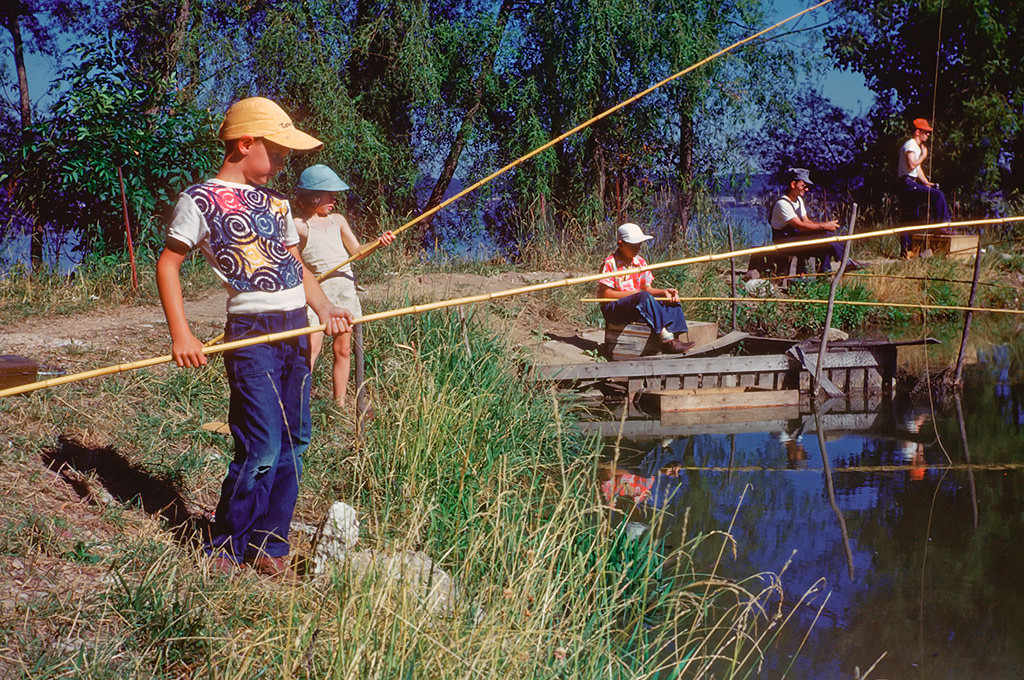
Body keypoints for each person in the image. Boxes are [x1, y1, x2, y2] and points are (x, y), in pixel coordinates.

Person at [156, 97, 353, 580]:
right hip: (251, 334)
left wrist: (324, 307)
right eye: (278, 151)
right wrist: (182, 333)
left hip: (295, 328)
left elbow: (294, 265)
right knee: (261, 443)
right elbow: (168, 264)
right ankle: (227, 542)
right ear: (246, 144)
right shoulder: (200, 200)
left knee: (295, 438)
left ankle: (270, 541)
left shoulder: (276, 203)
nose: (284, 162)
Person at [292, 164, 395, 408]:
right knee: (312, 348)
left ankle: (338, 403)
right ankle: (298, 403)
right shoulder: (299, 225)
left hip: (344, 291)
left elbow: (358, 252)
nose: (334, 200)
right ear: (313, 196)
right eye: (329, 195)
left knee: (344, 349)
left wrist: (378, 243)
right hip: (319, 295)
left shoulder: (337, 221)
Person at [597, 222, 694, 354]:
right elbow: (606, 294)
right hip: (615, 309)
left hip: (638, 304)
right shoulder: (610, 263)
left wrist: (663, 292)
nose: (638, 248)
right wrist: (634, 296)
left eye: (639, 245)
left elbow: (647, 289)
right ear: (621, 244)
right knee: (643, 297)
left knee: (670, 300)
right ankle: (667, 340)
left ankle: (675, 337)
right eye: (633, 245)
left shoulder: (640, 262)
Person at [769, 168, 859, 273]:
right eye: (803, 186)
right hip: (784, 242)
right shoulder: (782, 204)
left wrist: (824, 228)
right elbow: (800, 226)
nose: (806, 189)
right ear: (793, 184)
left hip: (795, 238)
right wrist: (824, 226)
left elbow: (806, 221)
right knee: (825, 236)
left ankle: (826, 274)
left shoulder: (798, 200)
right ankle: (845, 261)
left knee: (825, 237)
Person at [896, 117, 952, 257]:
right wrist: (924, 156)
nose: (928, 135)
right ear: (917, 132)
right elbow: (912, 164)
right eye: (926, 132)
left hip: (910, 181)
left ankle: (907, 250)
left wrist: (926, 183)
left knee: (911, 217)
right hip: (907, 183)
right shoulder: (911, 145)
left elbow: (917, 169)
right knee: (937, 195)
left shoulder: (916, 147)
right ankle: (941, 226)